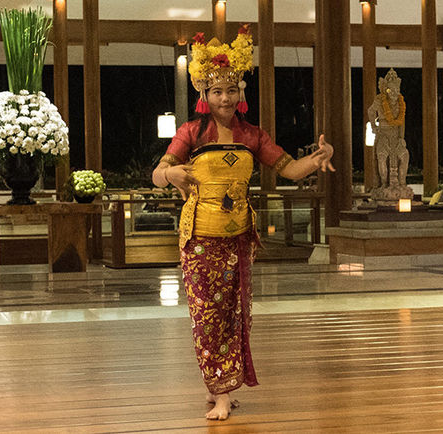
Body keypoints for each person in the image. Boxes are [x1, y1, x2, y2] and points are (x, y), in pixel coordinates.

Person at [151, 26, 334, 421]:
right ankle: (218, 390)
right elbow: (158, 172)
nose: (225, 97)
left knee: (235, 313)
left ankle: (222, 386)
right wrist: (171, 176)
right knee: (207, 314)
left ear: (240, 92)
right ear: (204, 95)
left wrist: (319, 158)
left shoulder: (252, 135)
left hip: (238, 237)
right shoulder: (190, 133)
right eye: (217, 91)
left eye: (231, 89)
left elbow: (289, 169)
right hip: (199, 236)